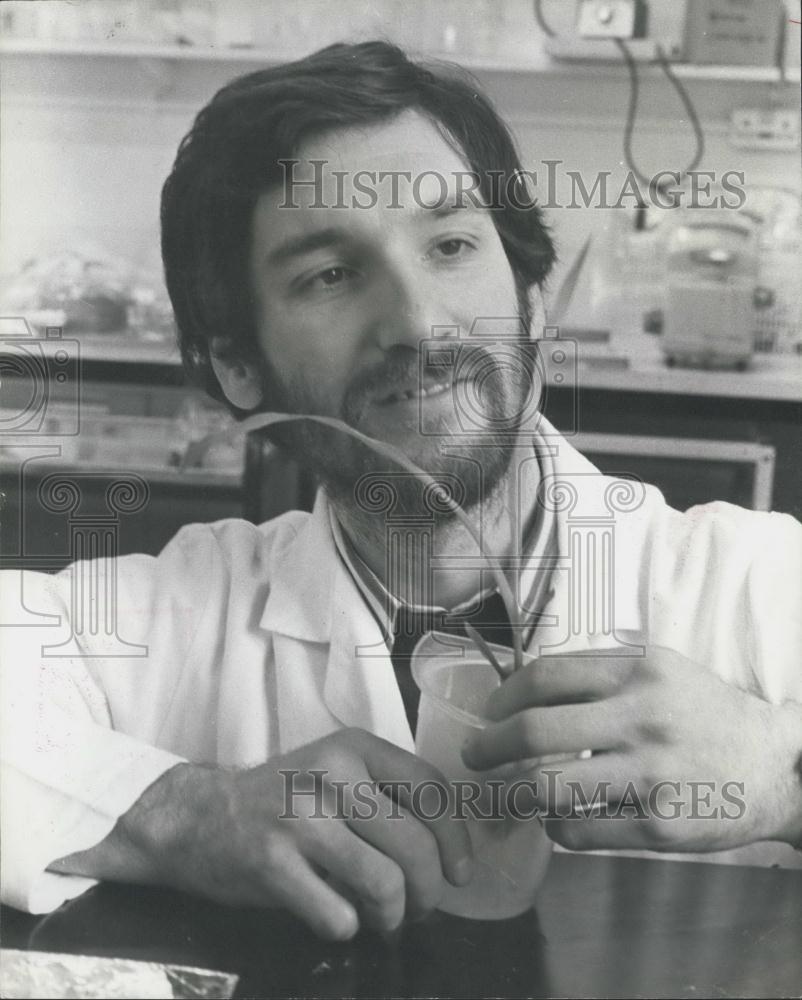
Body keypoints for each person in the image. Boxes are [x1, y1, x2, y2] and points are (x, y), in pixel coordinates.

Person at [1, 41, 800, 942]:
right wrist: (182, 810)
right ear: (237, 364)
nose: (419, 325)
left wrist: (782, 775)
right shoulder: (170, 618)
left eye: (452, 244)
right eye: (330, 275)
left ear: (533, 305)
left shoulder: (760, 589)